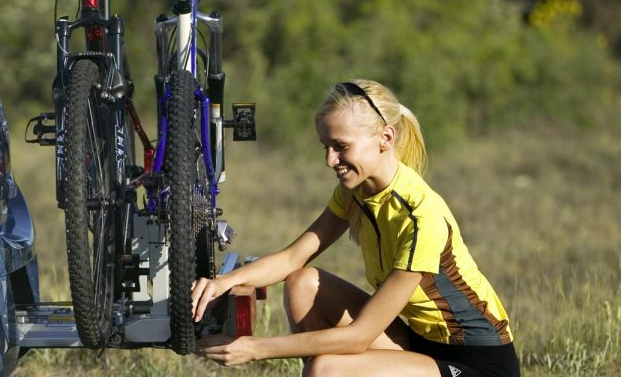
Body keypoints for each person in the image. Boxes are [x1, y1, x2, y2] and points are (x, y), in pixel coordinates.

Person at [190, 80, 519, 377]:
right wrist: (223, 283)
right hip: (421, 344)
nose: (330, 161)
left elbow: (360, 335)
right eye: (326, 148)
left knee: (327, 369)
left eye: (341, 147)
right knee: (303, 283)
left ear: (385, 139)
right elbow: (293, 258)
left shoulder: (422, 217)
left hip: (478, 364)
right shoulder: (356, 193)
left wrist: (254, 349)